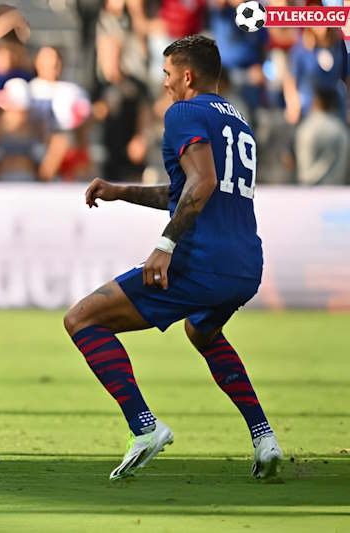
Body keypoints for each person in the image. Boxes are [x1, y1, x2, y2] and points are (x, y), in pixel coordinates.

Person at [63, 35, 282, 480]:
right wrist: (121, 191)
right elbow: (189, 189)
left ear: (187, 75)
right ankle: (264, 437)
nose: (163, 83)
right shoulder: (238, 121)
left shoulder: (183, 112)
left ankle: (144, 427)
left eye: (166, 74)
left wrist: (164, 247)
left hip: (203, 260)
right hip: (245, 264)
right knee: (202, 332)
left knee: (82, 319)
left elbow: (201, 184)